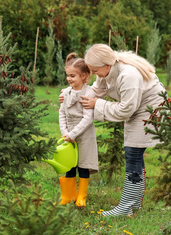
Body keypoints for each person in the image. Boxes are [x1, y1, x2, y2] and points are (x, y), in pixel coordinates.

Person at [60, 43, 164, 217]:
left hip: (149, 109)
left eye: (95, 70)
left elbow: (125, 109)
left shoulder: (129, 76)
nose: (93, 74)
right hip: (135, 107)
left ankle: (126, 207)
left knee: (133, 154)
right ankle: (134, 204)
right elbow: (96, 91)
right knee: (135, 155)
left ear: (106, 65)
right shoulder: (106, 71)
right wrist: (71, 92)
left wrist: (97, 105)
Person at [58, 53, 98, 207]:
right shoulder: (66, 93)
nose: (69, 79)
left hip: (84, 134)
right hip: (69, 133)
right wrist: (65, 133)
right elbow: (62, 112)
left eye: (73, 76)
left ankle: (81, 196)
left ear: (84, 76)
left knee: (83, 164)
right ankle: (68, 195)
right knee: (70, 164)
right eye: (68, 75)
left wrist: (73, 134)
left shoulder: (89, 93)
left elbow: (88, 118)